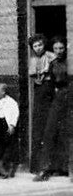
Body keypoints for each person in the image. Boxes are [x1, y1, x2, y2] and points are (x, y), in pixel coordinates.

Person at [34, 38, 69, 182]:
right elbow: (46, 81)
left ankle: (67, 168)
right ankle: (45, 169)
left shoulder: (70, 62)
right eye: (56, 49)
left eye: (61, 48)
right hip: (58, 99)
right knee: (49, 133)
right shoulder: (52, 64)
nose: (59, 51)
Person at [28, 34, 56, 173]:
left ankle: (51, 165)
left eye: (40, 45)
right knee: (38, 125)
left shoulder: (52, 56)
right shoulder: (33, 60)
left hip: (50, 90)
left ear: (44, 44)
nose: (38, 48)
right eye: (35, 46)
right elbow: (34, 77)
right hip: (39, 92)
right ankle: (37, 166)